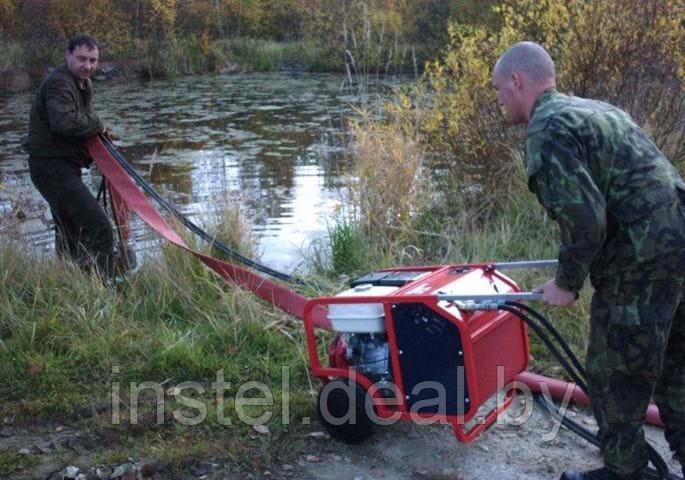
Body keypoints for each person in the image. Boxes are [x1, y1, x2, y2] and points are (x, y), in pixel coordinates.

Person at [492, 41, 685, 480]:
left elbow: (586, 220)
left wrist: (566, 282)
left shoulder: (547, 129)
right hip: (677, 245)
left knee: (614, 372)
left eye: (499, 88)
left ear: (518, 81)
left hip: (640, 260)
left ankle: (626, 473)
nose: (498, 98)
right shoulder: (592, 109)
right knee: (677, 368)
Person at [25, 34, 114, 278]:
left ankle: (71, 284)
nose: (88, 65)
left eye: (93, 60)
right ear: (68, 56)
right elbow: (63, 122)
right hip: (51, 168)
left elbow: (78, 126)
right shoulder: (60, 83)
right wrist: (98, 123)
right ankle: (104, 288)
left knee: (69, 231)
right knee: (101, 228)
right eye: (82, 59)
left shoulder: (83, 83)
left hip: (60, 166)